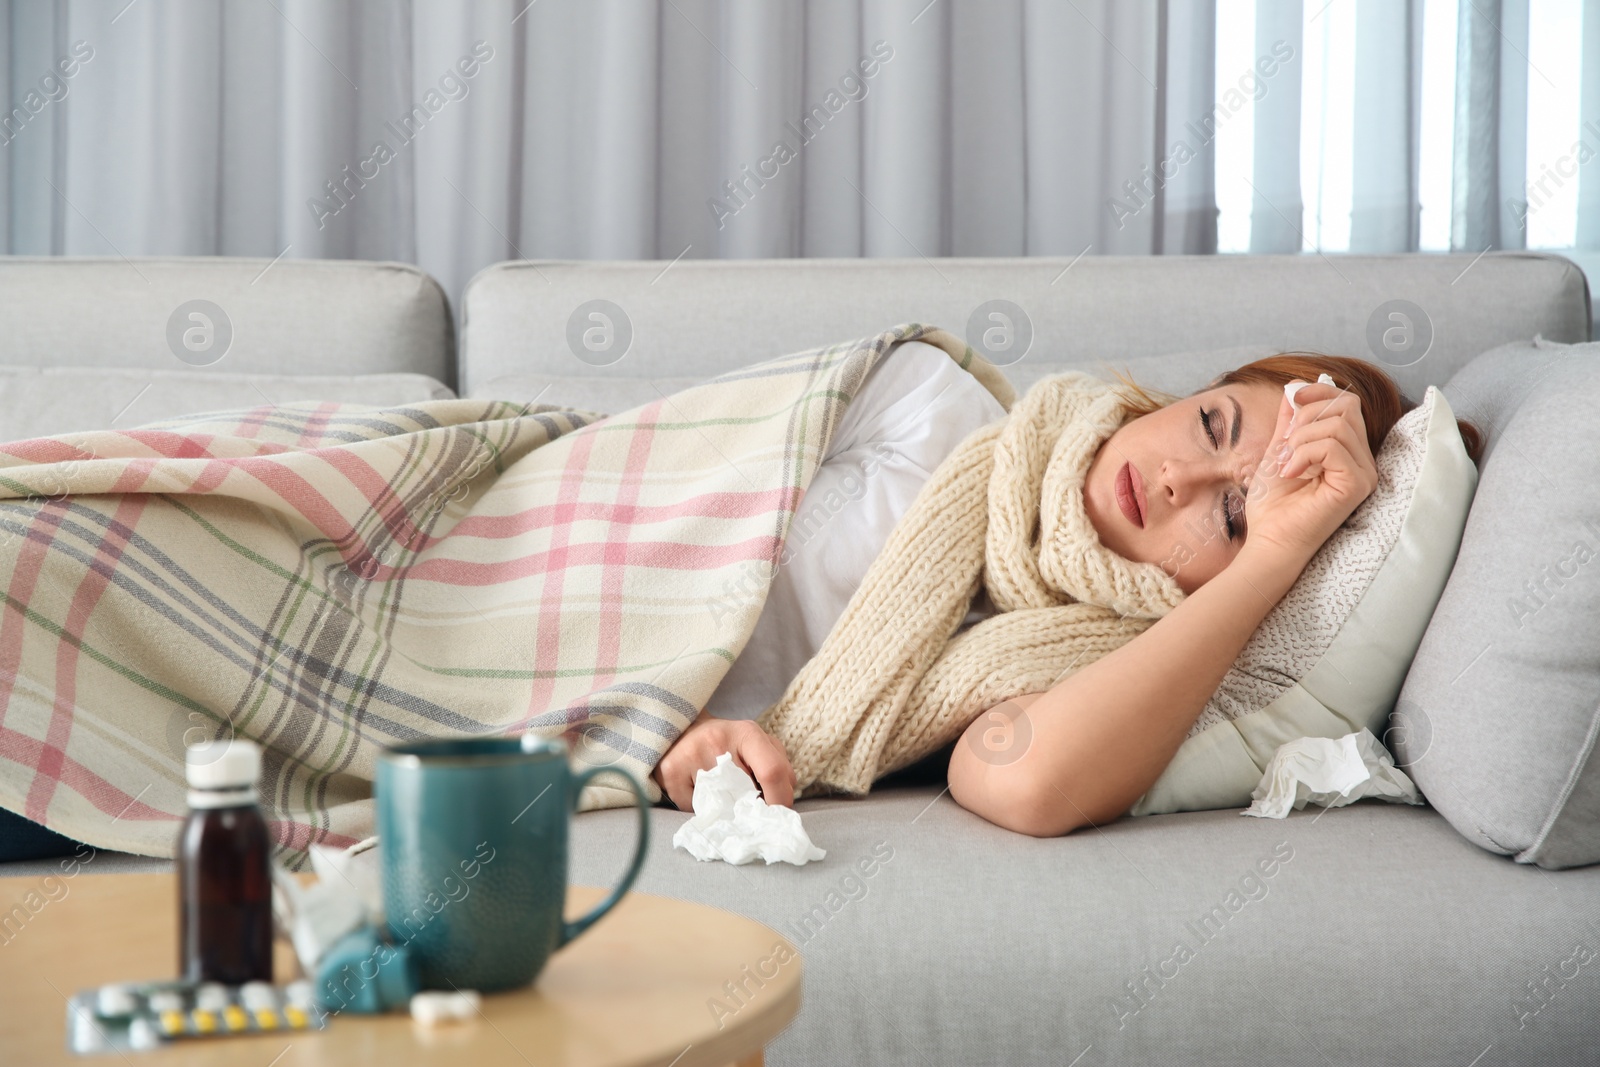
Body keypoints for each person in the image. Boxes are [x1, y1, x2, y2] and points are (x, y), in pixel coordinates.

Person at [652, 346, 1485, 836]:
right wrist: (659, 706)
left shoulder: (1096, 659)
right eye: (1211, 424)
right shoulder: (925, 405)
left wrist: (1272, 553)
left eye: (1231, 512)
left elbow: (1024, 778)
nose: (1177, 481)